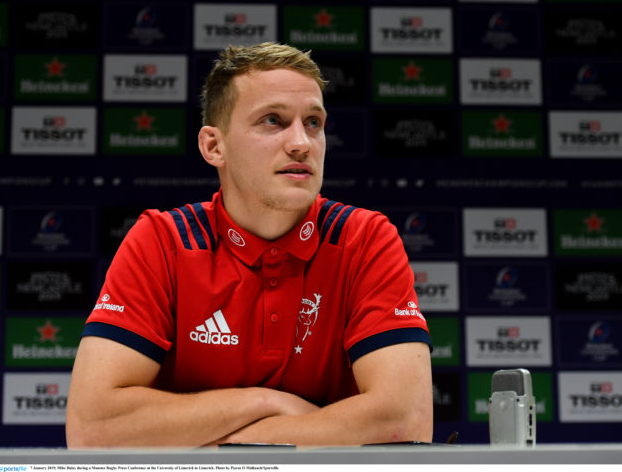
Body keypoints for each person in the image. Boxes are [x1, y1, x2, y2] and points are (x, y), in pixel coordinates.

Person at [66, 42, 433, 448]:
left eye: (313, 122)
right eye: (273, 121)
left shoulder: (364, 238)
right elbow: (93, 429)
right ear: (213, 146)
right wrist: (268, 401)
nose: (302, 143)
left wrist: (211, 441)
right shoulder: (162, 241)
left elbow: (405, 422)